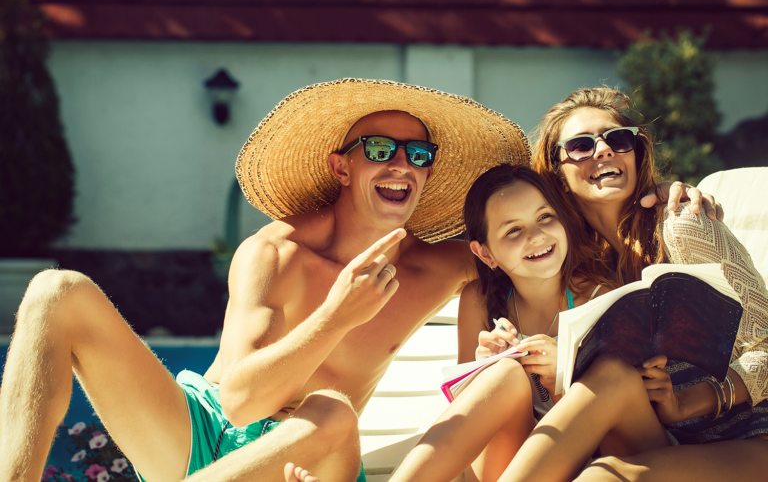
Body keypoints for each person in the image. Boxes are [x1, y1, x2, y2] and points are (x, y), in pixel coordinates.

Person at [0, 79, 531, 482]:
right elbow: (238, 402)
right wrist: (335, 317)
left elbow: (550, 245)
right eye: (378, 150)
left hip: (314, 456)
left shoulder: (445, 264)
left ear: (428, 173)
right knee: (57, 292)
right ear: (341, 168)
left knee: (331, 408)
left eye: (418, 155)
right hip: (199, 436)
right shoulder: (274, 253)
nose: (401, 165)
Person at [496, 87, 768, 482]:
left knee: (604, 475)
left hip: (750, 436)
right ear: (556, 171)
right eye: (580, 146)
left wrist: (688, 402)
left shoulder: (682, 225)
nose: (603, 151)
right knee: (606, 383)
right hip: (662, 436)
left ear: (636, 153)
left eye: (618, 139)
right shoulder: (573, 262)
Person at [380, 164, 613, 482]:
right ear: (485, 253)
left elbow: (614, 420)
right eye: (513, 230)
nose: (536, 235)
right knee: (501, 374)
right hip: (500, 464)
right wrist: (480, 372)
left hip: (584, 464)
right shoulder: (479, 300)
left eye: (545, 217)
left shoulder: (601, 300)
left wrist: (563, 378)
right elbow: (466, 417)